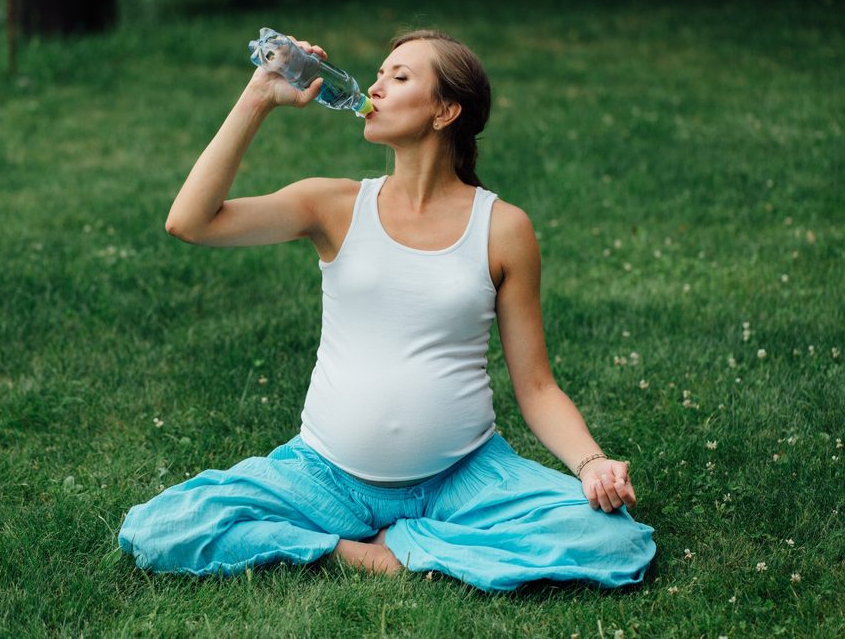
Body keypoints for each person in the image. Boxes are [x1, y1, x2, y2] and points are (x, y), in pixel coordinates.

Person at [118, 30, 656, 592]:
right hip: (324, 475)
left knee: (614, 539)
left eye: (399, 77)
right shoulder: (332, 205)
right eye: (378, 73)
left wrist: (591, 463)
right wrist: (258, 96)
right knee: (162, 528)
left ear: (446, 110)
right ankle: (357, 552)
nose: (374, 86)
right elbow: (190, 221)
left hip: (465, 478)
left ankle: (404, 542)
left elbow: (538, 387)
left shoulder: (502, 228)